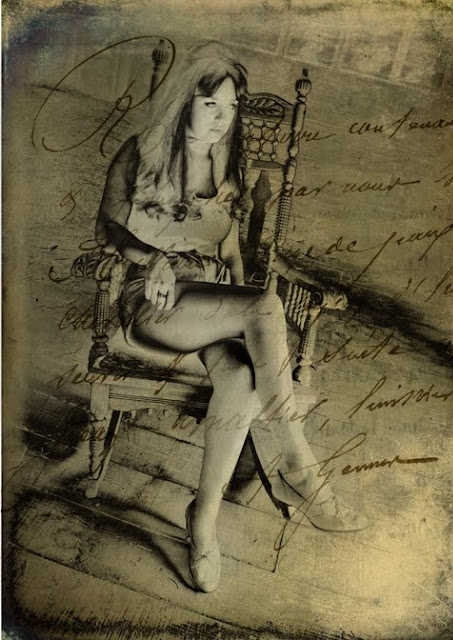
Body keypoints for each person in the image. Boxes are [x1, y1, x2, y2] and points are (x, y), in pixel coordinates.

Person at [96, 44, 368, 593]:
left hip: (213, 302)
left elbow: (228, 249)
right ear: (184, 101)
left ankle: (203, 520)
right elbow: (107, 228)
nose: (223, 118)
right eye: (210, 104)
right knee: (263, 306)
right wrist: (153, 259)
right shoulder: (140, 152)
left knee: (242, 377)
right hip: (155, 301)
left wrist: (241, 300)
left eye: (232, 107)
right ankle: (299, 469)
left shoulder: (229, 164)